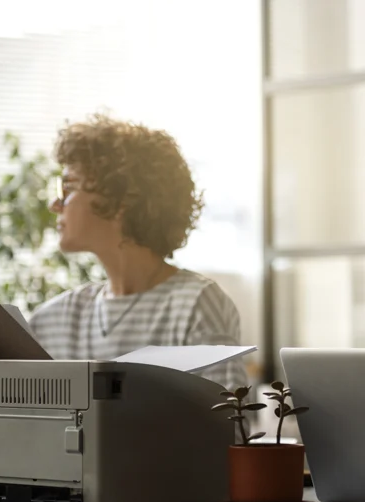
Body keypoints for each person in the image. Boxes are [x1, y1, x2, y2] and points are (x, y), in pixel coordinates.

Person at [27, 113, 248, 392]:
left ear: (121, 200)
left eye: (68, 187)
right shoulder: (52, 320)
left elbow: (231, 423)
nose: (55, 204)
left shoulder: (194, 304)